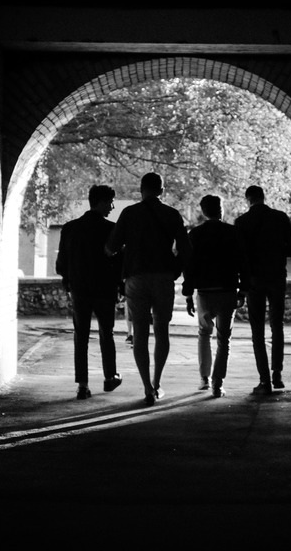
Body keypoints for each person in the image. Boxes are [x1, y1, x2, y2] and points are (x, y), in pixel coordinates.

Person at [105, 172, 192, 406]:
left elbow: (111, 247)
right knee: (162, 330)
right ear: (162, 191)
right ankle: (157, 382)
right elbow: (186, 251)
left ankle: (146, 387)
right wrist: (175, 272)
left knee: (140, 334)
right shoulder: (172, 215)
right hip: (163, 278)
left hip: (136, 278)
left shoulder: (129, 213)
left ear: (140, 189)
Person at [55, 184, 123, 399]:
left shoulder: (70, 228)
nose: (112, 207)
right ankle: (110, 376)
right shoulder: (111, 229)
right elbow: (119, 262)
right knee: (106, 334)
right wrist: (120, 286)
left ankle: (82, 385)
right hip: (104, 290)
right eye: (111, 202)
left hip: (80, 290)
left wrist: (69, 280)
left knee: (81, 336)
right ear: (102, 201)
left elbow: (61, 263)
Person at [234, 185, 291, 395]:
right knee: (277, 325)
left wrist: (242, 285)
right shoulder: (280, 218)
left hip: (254, 280)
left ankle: (264, 380)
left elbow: (240, 258)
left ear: (248, 200)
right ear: (263, 197)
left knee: (257, 330)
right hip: (277, 277)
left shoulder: (242, 223)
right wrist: (276, 250)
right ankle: (277, 373)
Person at [182, 195, 248, 398]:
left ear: (203, 211)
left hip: (204, 291)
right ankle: (218, 384)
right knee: (223, 339)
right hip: (227, 290)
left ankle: (204, 378)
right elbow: (242, 262)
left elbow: (189, 265)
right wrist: (242, 289)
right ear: (221, 210)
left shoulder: (196, 234)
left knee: (203, 333)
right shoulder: (233, 232)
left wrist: (188, 293)